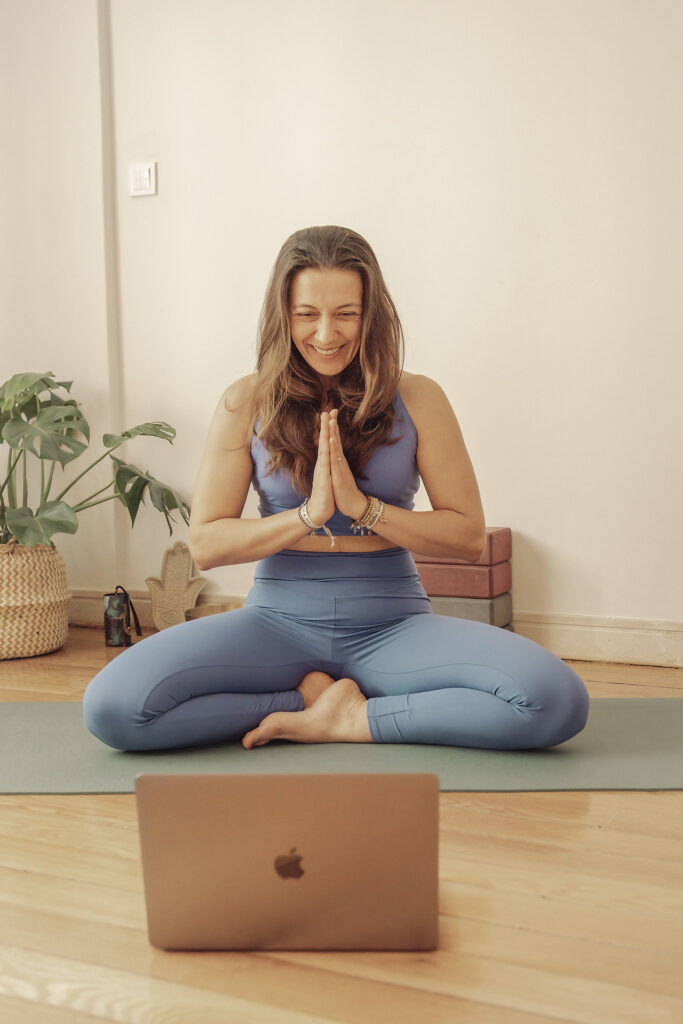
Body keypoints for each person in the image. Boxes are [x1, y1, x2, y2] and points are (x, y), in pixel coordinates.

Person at [83, 225, 589, 752]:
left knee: (554, 700)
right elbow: (207, 544)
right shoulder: (246, 401)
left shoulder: (419, 397)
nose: (326, 334)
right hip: (276, 622)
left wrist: (365, 510)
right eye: (307, 314)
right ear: (283, 314)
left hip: (393, 624)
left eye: (346, 313)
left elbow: (467, 537)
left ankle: (354, 718)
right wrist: (308, 515)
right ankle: (302, 702)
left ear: (371, 314)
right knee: (114, 708)